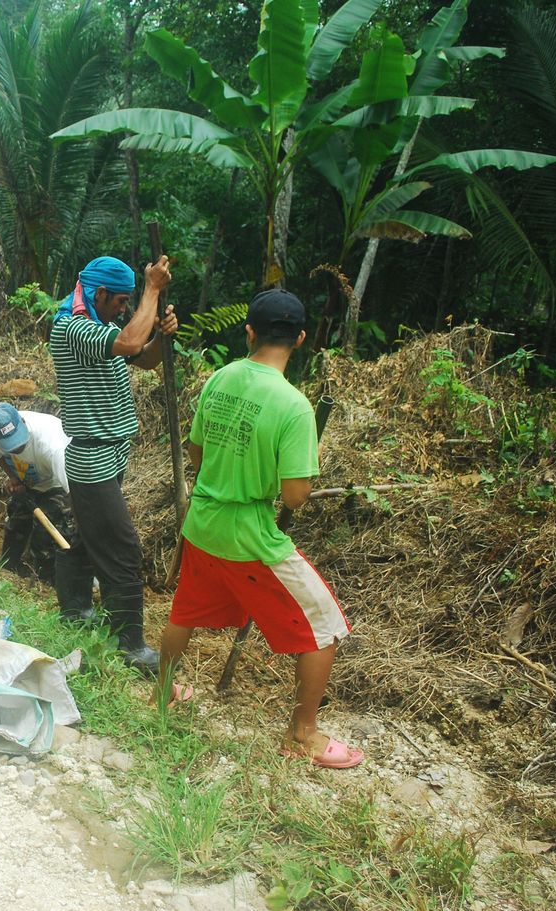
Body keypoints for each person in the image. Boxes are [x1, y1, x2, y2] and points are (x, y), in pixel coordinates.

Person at [154, 289, 362, 769]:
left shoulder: (219, 379)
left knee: (183, 611)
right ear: (301, 339)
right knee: (326, 627)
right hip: (248, 535)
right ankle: (302, 733)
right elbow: (293, 496)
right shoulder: (294, 407)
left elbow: (197, 454)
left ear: (248, 331)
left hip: (202, 523)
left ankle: (162, 694)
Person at [49, 255, 178, 673]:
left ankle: (75, 610)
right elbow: (126, 343)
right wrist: (152, 291)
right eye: (120, 302)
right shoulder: (72, 327)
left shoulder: (99, 323)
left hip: (110, 453)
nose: (124, 310)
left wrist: (159, 336)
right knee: (123, 550)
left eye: (128, 303)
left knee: (91, 535)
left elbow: (141, 357)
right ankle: (131, 646)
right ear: (98, 294)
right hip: (92, 458)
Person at [0, 404, 93, 620]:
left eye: (19, 444)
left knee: (44, 538)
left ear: (23, 423)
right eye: (10, 447)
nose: (16, 450)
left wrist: (83, 535)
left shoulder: (52, 444)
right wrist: (14, 478)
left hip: (57, 485)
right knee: (16, 520)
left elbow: (75, 493)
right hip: (28, 480)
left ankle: (46, 583)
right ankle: (8, 565)